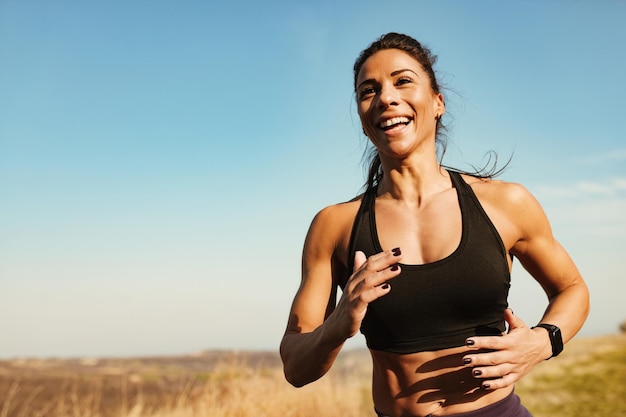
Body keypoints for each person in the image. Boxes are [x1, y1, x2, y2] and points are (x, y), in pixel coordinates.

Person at [279, 32, 589, 417]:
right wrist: (340, 322)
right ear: (363, 120)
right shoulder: (334, 225)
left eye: (403, 80)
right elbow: (295, 368)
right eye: (368, 90)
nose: (387, 98)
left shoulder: (505, 203)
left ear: (438, 102)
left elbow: (571, 288)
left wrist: (543, 343)